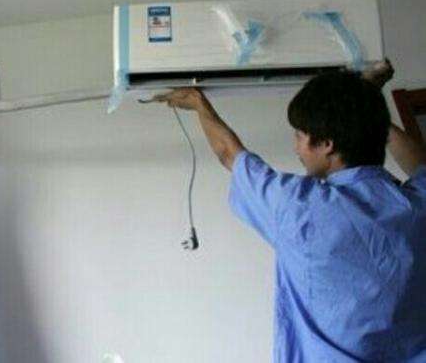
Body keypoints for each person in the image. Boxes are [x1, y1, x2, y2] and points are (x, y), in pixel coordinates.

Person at [156, 60, 426, 362]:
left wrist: (198, 103)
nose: (296, 147)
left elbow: (229, 153)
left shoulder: (299, 207)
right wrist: (367, 107)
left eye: (299, 135)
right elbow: (421, 164)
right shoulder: (417, 206)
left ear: (326, 144)